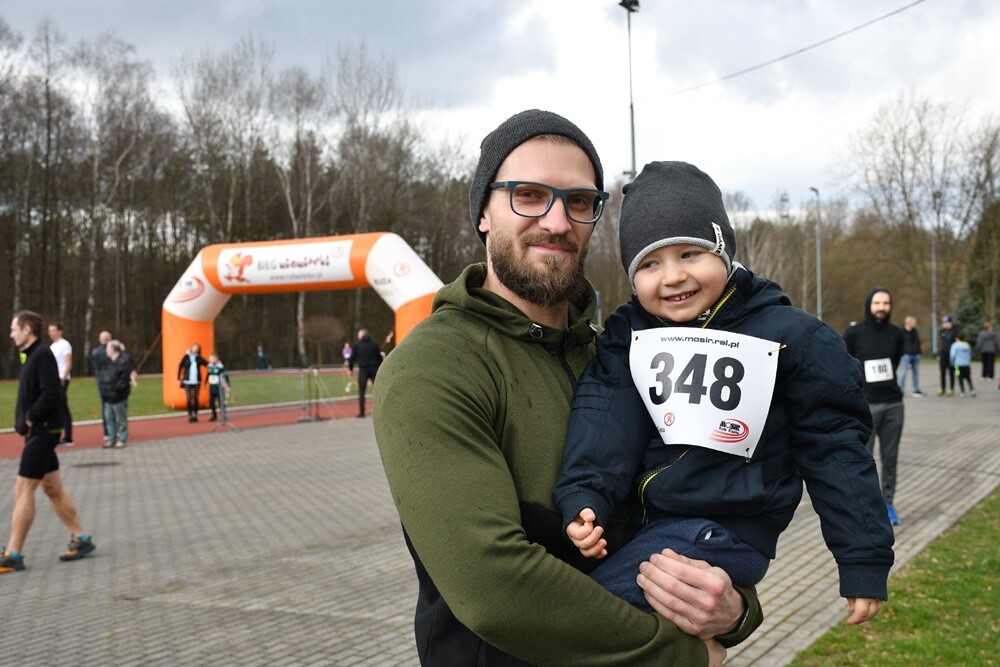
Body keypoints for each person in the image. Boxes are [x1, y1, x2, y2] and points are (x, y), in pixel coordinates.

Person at [373, 110, 761, 667]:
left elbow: (705, 511)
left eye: (579, 201)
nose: (557, 221)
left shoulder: (629, 355)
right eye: (528, 195)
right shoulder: (432, 367)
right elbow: (494, 589)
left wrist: (737, 609)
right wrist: (681, 656)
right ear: (483, 211)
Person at [554, 161, 893, 625]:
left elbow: (835, 448)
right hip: (649, 526)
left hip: (724, 533)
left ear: (725, 253)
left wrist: (863, 560)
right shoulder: (626, 334)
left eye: (690, 254)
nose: (672, 276)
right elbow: (605, 419)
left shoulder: (794, 338)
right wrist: (585, 498)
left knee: (580, 615)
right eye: (650, 264)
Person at [2, 311, 96, 574]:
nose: (11, 334)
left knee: (23, 488)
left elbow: (52, 391)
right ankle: (82, 538)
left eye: (14, 329)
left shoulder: (42, 354)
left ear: (27, 329)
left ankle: (13, 553)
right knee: (52, 488)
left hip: (43, 431)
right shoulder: (33, 355)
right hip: (41, 431)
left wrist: (31, 417)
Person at [845, 287, 906, 527]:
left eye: (886, 303)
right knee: (864, 459)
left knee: (890, 458)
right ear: (869, 305)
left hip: (893, 404)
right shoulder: (854, 333)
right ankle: (866, 507)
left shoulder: (897, 334)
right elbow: (845, 362)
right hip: (865, 405)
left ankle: (888, 503)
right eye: (877, 303)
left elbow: (896, 360)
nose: (881, 307)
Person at [98, 339, 134, 448]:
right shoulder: (109, 363)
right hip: (108, 396)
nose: (106, 351)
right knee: (109, 419)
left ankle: (122, 439)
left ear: (113, 349)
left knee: (120, 419)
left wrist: (115, 389)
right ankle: (112, 439)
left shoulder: (123, 362)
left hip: (118, 396)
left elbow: (123, 380)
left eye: (108, 348)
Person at [48, 322, 74, 446]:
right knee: (57, 408)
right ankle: (59, 434)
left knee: (62, 407)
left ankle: (68, 437)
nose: (51, 333)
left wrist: (63, 378)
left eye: (53, 330)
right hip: (53, 380)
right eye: (50, 331)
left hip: (61, 380)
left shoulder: (65, 344)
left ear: (60, 331)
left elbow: (68, 363)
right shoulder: (52, 346)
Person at [348, 328, 381, 418]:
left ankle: (362, 412)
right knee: (378, 390)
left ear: (362, 335)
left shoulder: (357, 345)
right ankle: (380, 410)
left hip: (363, 370)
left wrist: (350, 369)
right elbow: (379, 358)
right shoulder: (375, 344)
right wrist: (379, 367)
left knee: (362, 391)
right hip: (374, 369)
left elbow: (352, 358)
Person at [177, 343, 208, 422]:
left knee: (196, 398)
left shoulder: (199, 358)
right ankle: (190, 415)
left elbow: (207, 364)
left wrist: (216, 363)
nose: (195, 349)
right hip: (187, 381)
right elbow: (180, 366)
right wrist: (178, 378)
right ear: (191, 348)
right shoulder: (186, 356)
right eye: (194, 348)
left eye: (197, 348)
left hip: (197, 381)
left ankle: (195, 414)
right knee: (189, 398)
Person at [91, 330, 113, 441]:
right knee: (116, 405)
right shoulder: (113, 351)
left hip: (101, 382)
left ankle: (107, 432)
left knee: (105, 406)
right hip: (113, 381)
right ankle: (114, 430)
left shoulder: (95, 352)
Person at [897, 316, 923, 397]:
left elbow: (918, 342)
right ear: (908, 322)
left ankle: (916, 390)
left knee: (916, 373)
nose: (915, 323)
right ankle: (900, 390)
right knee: (902, 373)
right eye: (914, 322)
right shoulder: (901, 332)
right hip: (906, 355)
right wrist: (902, 353)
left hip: (916, 355)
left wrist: (919, 352)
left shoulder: (914, 331)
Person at [937, 315, 959, 396]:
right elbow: (941, 343)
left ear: (950, 323)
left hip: (951, 355)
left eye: (946, 322)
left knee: (951, 373)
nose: (945, 324)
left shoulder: (955, 331)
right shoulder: (942, 331)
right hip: (943, 354)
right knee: (942, 372)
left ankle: (951, 389)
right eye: (944, 323)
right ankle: (942, 388)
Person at [206, 352, 231, 421]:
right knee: (211, 402)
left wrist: (227, 386)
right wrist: (205, 382)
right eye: (209, 359)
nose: (210, 360)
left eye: (212, 358)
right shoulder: (209, 366)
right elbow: (208, 374)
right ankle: (214, 415)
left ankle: (223, 415)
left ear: (216, 359)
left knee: (221, 402)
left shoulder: (221, 367)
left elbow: (225, 377)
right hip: (212, 387)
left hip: (219, 387)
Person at [950, 332, 975, 397]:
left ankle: (962, 391)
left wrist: (952, 363)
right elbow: (970, 354)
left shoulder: (955, 345)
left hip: (957, 365)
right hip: (966, 364)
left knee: (959, 377)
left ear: (957, 338)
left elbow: (952, 355)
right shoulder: (967, 345)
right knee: (968, 377)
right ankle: (972, 390)